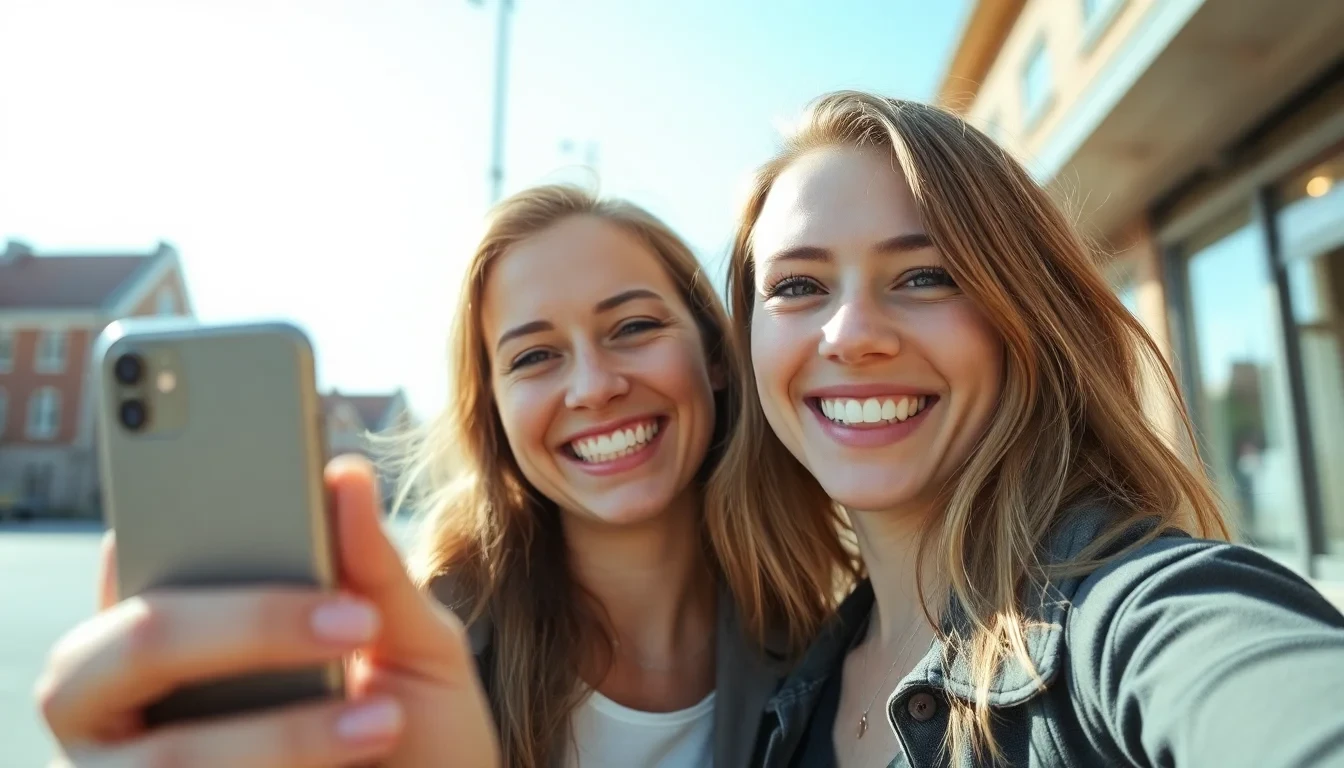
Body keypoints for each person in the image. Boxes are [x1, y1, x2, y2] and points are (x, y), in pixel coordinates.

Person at [36, 184, 852, 768]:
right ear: (491, 413)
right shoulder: (410, 663)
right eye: (534, 356)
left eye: (633, 326)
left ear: (715, 355)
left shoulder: (832, 644)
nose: (593, 386)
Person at [705, 90, 1344, 767]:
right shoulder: (790, 685)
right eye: (797, 287)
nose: (851, 336)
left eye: (925, 276)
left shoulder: (1133, 615)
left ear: (1028, 319)